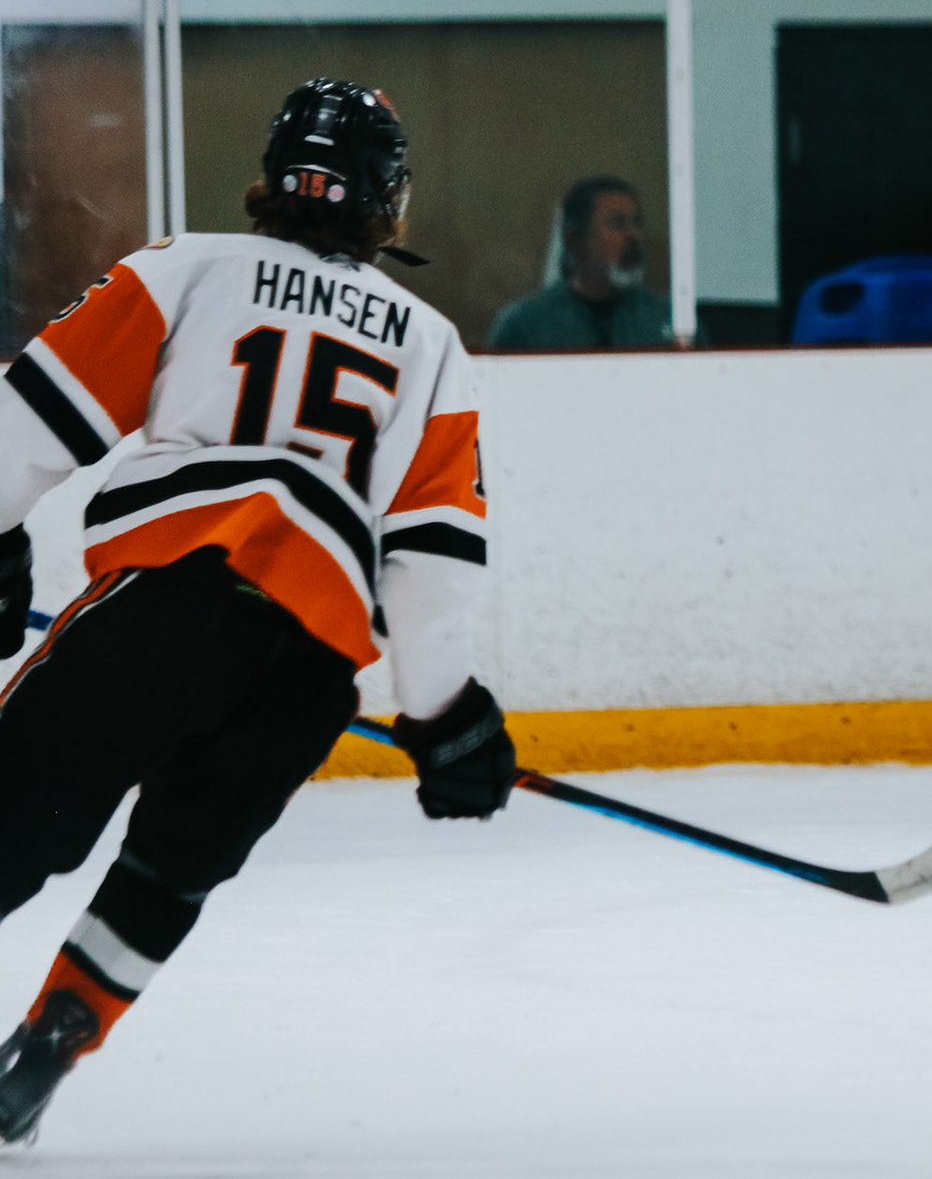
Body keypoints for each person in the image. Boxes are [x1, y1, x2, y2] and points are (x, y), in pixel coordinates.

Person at [0, 80, 517, 1139]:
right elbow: (428, 568)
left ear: (273, 177)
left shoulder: (187, 267)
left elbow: (27, 426)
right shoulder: (430, 343)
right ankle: (55, 1034)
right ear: (388, 199)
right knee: (170, 867)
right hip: (307, 666)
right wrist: (443, 715)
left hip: (163, 604)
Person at [489, 175, 675, 349]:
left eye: (636, 223)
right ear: (574, 240)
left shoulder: (665, 317)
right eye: (616, 223)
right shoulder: (527, 324)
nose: (633, 236)